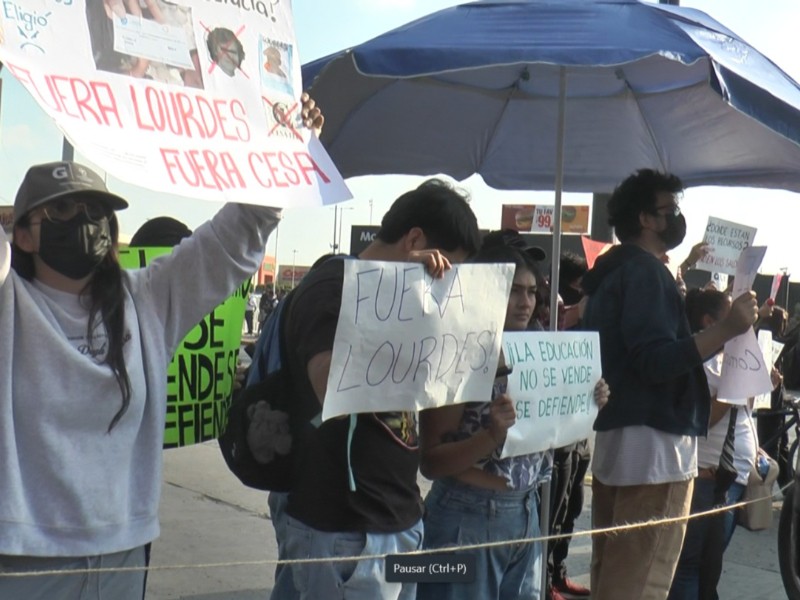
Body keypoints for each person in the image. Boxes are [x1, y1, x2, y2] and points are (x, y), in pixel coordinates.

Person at [0, 98, 322, 598]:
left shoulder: (144, 299)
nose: (84, 220)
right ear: (20, 233)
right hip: (23, 561)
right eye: (62, 209)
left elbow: (232, 238)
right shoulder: (9, 303)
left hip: (125, 553)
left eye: (96, 209)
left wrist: (281, 146)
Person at [271, 179, 481, 600]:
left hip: (399, 521)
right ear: (416, 241)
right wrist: (399, 296)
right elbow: (330, 384)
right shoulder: (332, 286)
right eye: (449, 266)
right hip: (344, 529)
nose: (448, 282)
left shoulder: (414, 305)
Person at [580, 169, 758, 600]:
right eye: (670, 210)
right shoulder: (645, 274)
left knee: (613, 577)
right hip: (656, 454)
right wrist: (728, 329)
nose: (677, 218)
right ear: (647, 219)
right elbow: (655, 361)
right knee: (640, 583)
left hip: (622, 444)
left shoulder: (613, 273)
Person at [416, 242, 609, 600]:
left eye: (532, 291)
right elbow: (431, 461)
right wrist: (489, 436)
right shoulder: (456, 352)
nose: (525, 301)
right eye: (513, 290)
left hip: (527, 512)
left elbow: (551, 434)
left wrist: (587, 400)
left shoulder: (541, 349)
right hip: (465, 517)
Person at [669, 288, 775, 600]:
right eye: (733, 312)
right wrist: (735, 390)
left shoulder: (730, 358)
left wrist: (758, 384)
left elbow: (744, 412)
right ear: (710, 320)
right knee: (691, 564)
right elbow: (702, 420)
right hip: (708, 477)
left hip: (732, 476)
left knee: (710, 563)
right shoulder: (701, 363)